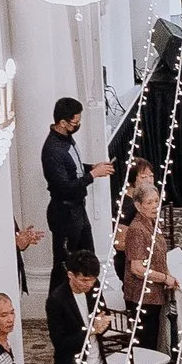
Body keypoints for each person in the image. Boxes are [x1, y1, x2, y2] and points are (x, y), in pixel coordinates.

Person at [41, 93, 108, 278]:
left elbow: (73, 169)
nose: (78, 125)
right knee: (66, 264)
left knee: (88, 258)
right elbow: (64, 187)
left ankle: (94, 301)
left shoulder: (65, 139)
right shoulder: (52, 150)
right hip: (64, 214)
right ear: (63, 123)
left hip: (77, 209)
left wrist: (91, 167)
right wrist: (93, 175)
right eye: (75, 122)